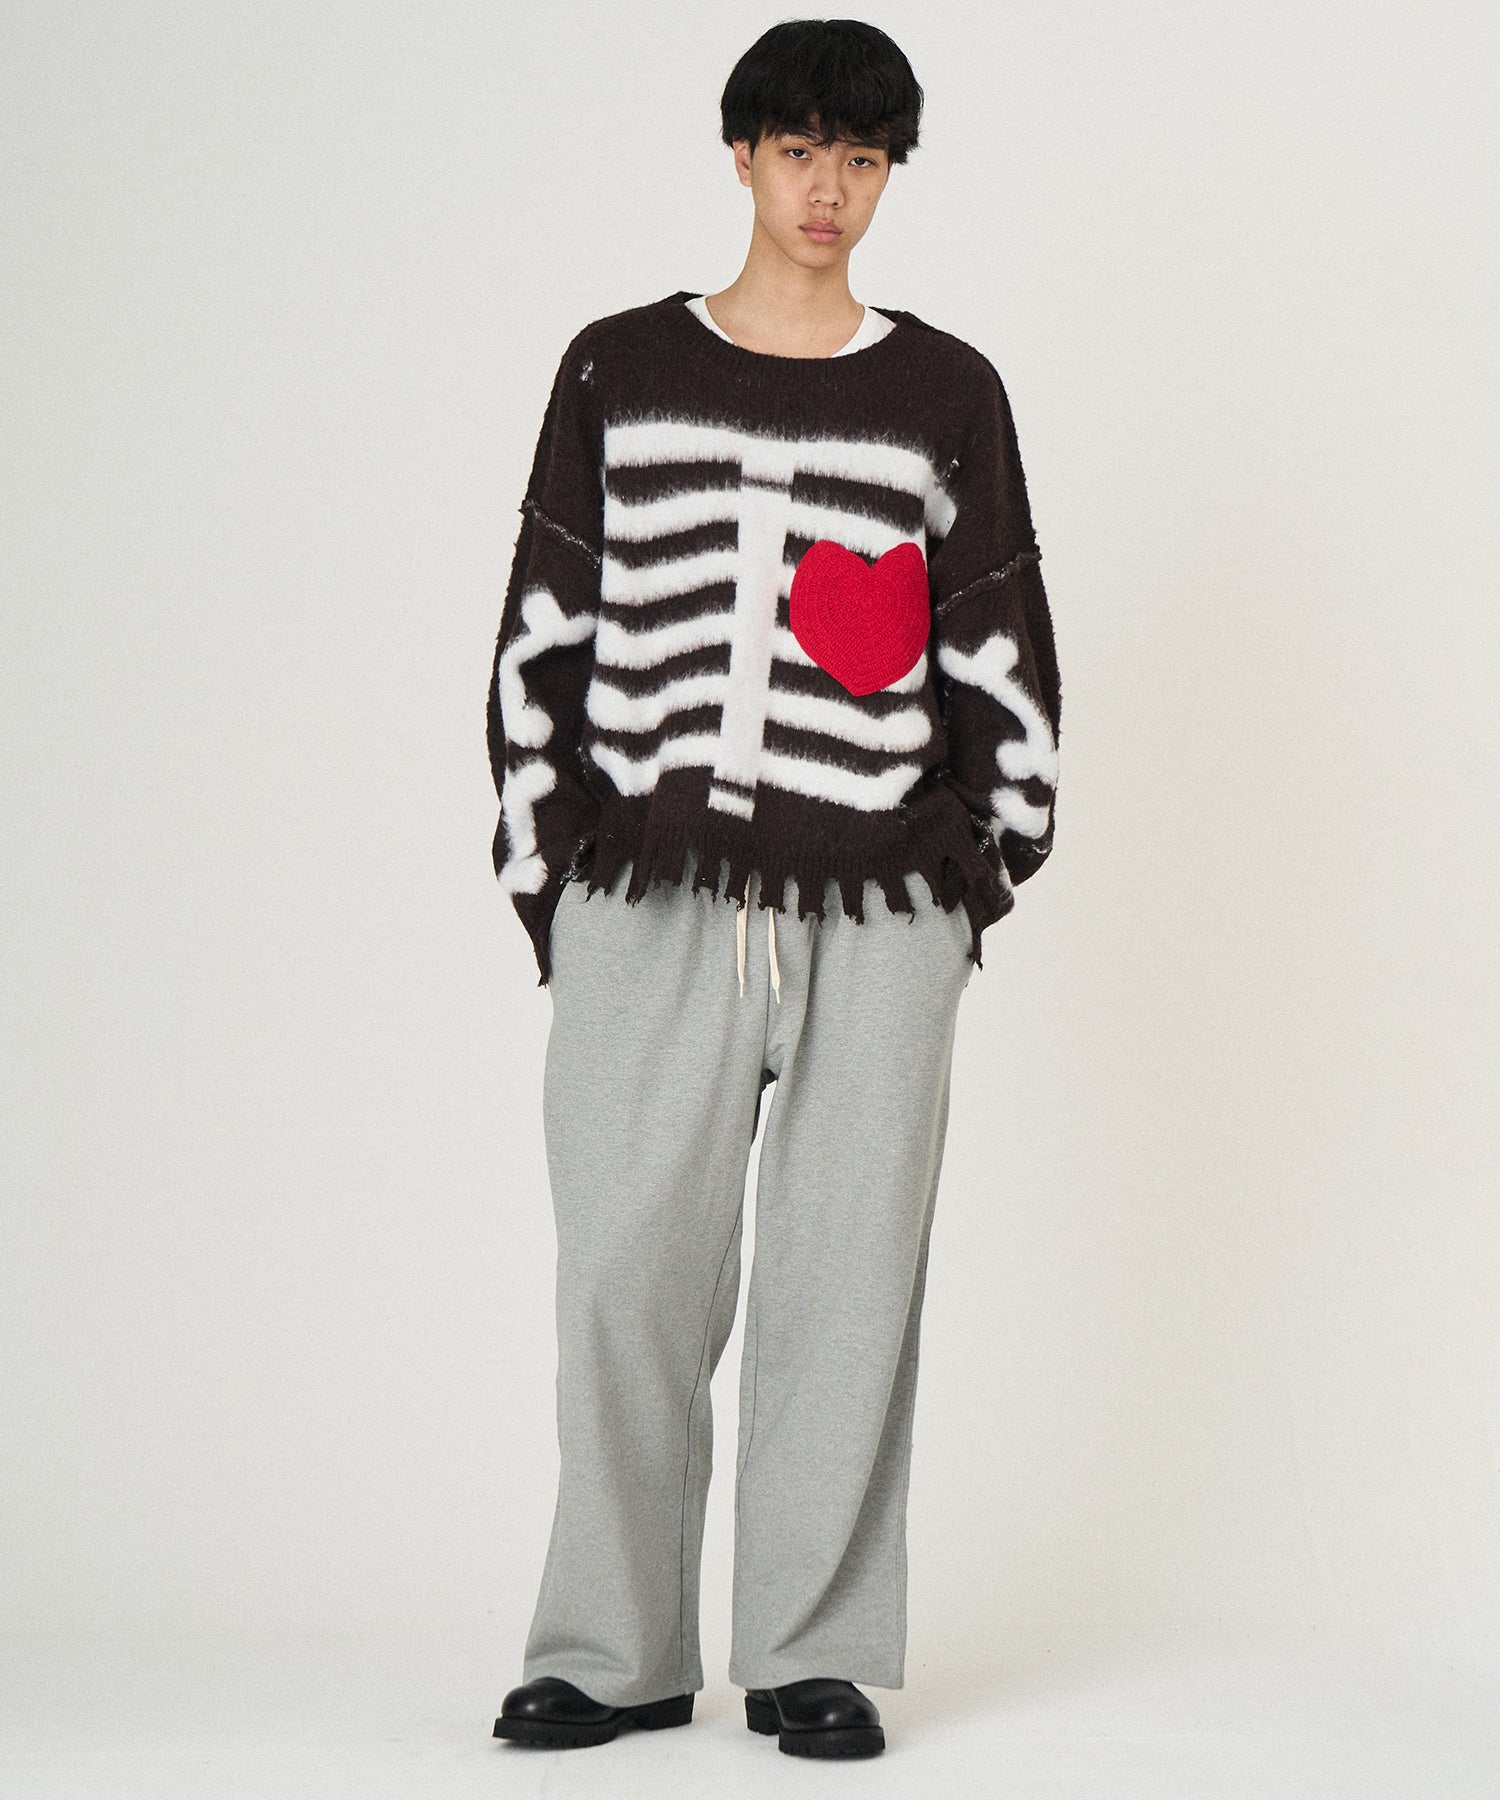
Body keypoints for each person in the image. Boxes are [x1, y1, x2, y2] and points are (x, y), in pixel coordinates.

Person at [487, 17, 1061, 1760]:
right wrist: (552, 875)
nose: (830, 189)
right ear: (740, 153)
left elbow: (1002, 646)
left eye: (863, 159)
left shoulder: (945, 393)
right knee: (624, 1277)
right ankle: (614, 1650)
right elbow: (545, 625)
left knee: (847, 1282)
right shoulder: (617, 368)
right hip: (648, 892)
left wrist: (977, 872)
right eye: (801, 150)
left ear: (891, 175)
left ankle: (812, 1648)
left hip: (879, 908)